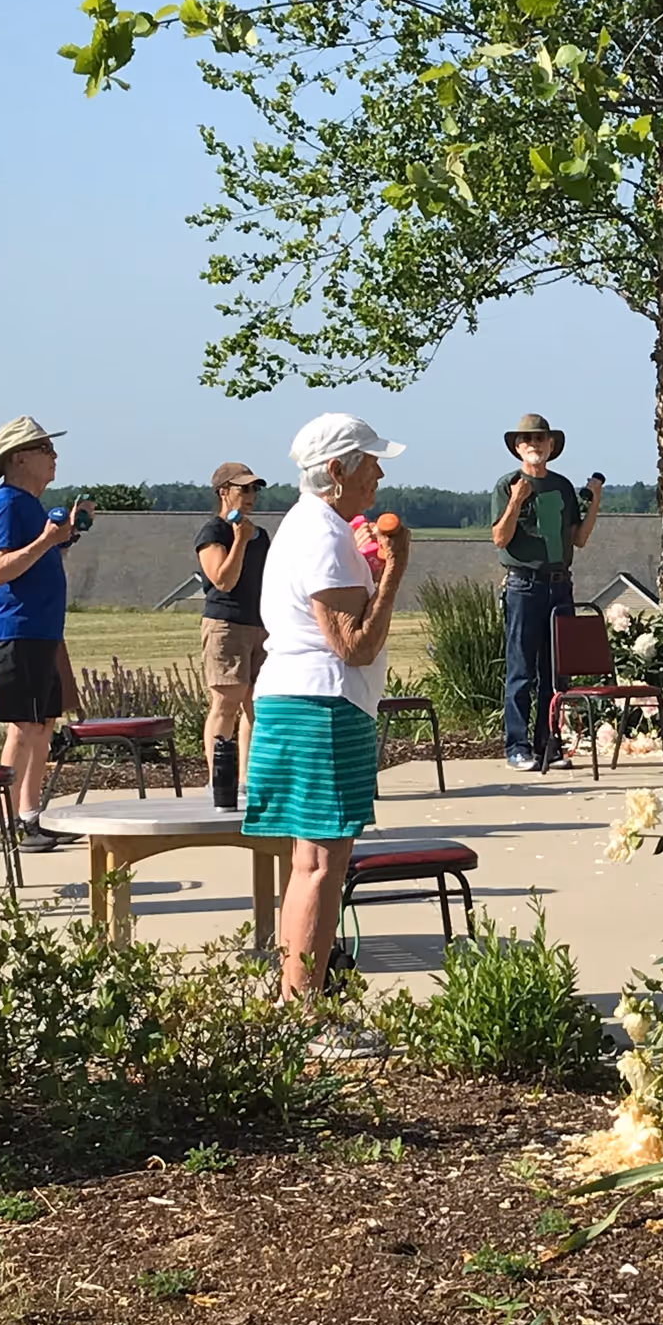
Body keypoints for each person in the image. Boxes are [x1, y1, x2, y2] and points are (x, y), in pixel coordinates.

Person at [243, 413, 408, 1031]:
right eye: (370, 461)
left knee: (306, 861)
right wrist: (393, 569)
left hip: (296, 700)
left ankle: (294, 999)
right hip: (322, 705)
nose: (380, 472)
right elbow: (354, 646)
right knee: (320, 862)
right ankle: (303, 1013)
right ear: (336, 471)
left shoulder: (307, 526)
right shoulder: (324, 536)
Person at [0, 416, 92, 853]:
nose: (54, 457)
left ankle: (30, 817)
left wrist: (65, 536)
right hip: (18, 630)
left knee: (43, 725)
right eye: (46, 449)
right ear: (19, 457)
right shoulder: (8, 503)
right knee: (24, 727)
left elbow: (38, 556)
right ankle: (4, 822)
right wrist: (49, 538)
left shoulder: (28, 503)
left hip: (42, 630)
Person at [491, 412, 600, 770]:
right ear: (518, 448)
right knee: (522, 669)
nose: (535, 445)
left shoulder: (563, 486)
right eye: (528, 440)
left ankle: (548, 745)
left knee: (557, 671)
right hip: (523, 584)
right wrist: (516, 501)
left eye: (541, 439)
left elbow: (579, 539)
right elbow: (499, 538)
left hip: (559, 585)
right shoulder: (506, 484)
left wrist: (594, 500)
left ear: (551, 446)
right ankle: (516, 747)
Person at [195, 462, 272, 779]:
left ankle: (248, 779)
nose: (251, 495)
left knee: (258, 705)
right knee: (227, 702)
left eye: (254, 489)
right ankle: (219, 779)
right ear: (224, 492)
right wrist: (239, 540)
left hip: (260, 625)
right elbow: (222, 580)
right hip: (226, 624)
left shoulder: (261, 535)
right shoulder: (213, 532)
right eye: (244, 488)